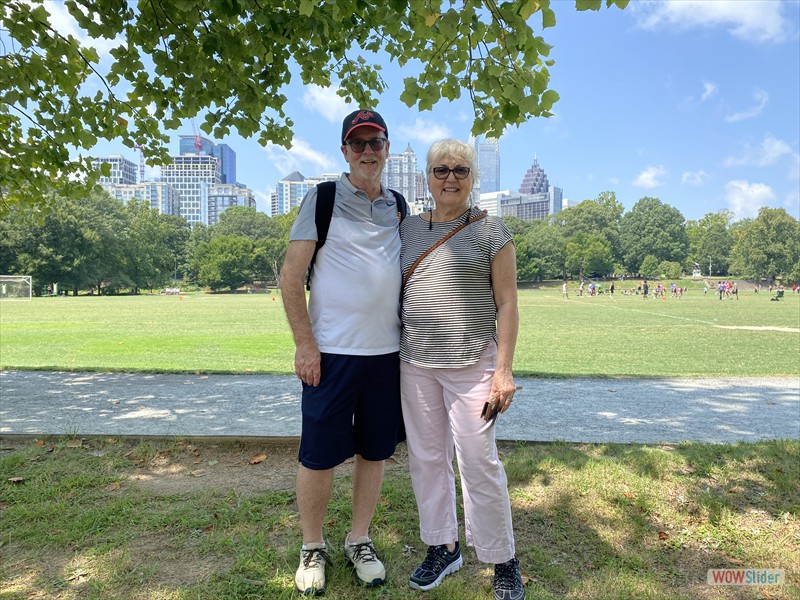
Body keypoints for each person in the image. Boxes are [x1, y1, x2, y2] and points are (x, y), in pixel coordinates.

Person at [280, 109, 405, 595]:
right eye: (359, 144)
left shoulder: (398, 206)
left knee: (374, 452)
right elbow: (292, 277)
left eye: (376, 142)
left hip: (386, 356)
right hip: (330, 354)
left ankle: (360, 539)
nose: (368, 151)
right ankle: (313, 546)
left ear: (388, 149)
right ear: (345, 152)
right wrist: (305, 344)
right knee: (318, 456)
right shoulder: (324, 197)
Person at [399, 139, 524, 600]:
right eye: (440, 170)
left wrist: (503, 371)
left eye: (460, 170)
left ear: (473, 178)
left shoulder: (493, 231)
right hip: (415, 362)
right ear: (427, 178)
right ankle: (442, 546)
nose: (450, 178)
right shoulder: (407, 230)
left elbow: (508, 303)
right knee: (427, 460)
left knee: (478, 461)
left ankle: (502, 558)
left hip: (475, 363)